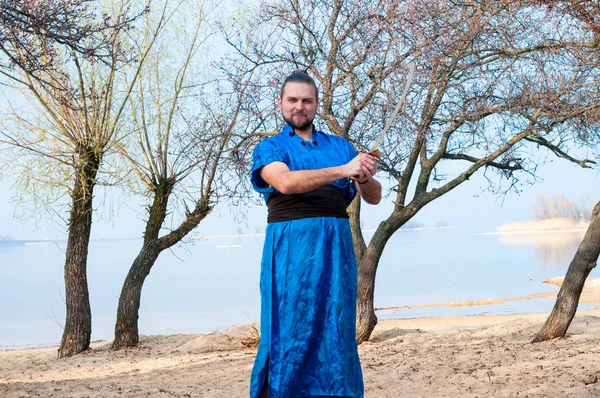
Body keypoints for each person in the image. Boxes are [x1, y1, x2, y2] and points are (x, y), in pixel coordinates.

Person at [249, 70, 382, 398]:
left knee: (336, 328)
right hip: (291, 252)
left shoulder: (340, 146)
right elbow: (285, 182)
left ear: (317, 104)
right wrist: (344, 169)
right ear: (280, 103)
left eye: (307, 100)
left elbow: (374, 196)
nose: (299, 106)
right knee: (289, 327)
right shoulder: (271, 147)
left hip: (336, 250)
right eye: (292, 100)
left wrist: (363, 176)